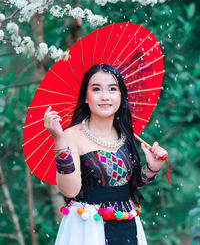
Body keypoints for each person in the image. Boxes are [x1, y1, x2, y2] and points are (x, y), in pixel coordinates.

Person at [44, 63, 168, 245]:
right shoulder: (70, 136)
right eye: (96, 89)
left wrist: (151, 169)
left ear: (120, 96)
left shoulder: (126, 134)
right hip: (87, 227)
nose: (105, 96)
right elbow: (70, 190)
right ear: (85, 97)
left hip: (126, 223)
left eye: (112, 89)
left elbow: (124, 185)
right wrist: (59, 141)